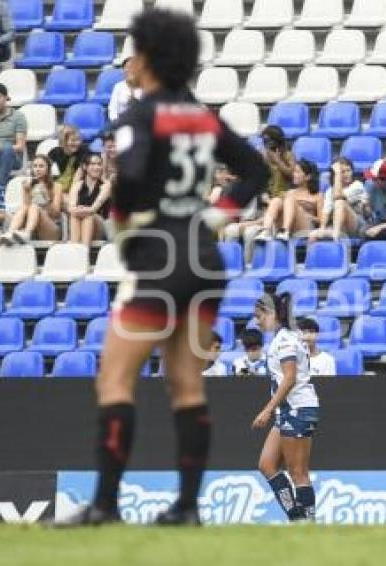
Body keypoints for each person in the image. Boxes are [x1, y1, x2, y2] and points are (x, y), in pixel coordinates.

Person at [55, 8, 269, 527]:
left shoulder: (138, 116)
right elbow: (257, 170)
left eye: (133, 52)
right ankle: (188, 508)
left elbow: (128, 177)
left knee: (115, 380)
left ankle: (105, 505)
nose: (128, 61)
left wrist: (128, 229)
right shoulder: (202, 115)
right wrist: (214, 215)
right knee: (188, 387)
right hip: (203, 259)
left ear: (147, 58)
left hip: (158, 259)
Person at [252, 293, 319, 522]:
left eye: (259, 316)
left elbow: (289, 378)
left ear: (271, 314)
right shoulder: (286, 338)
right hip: (289, 410)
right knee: (267, 464)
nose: (256, 321)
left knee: (298, 473)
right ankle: (296, 517)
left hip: (297, 408)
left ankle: (308, 525)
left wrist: (267, 409)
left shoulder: (286, 341)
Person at [256, 159, 323, 241]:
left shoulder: (317, 195)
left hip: (305, 227)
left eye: (297, 172)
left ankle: (285, 231)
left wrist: (306, 214)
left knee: (289, 198)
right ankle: (266, 231)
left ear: (307, 177)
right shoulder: (289, 192)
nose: (294, 175)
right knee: (276, 200)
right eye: (294, 172)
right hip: (289, 225)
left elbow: (321, 220)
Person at [1, 155, 62, 245]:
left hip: (51, 228)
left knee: (34, 207)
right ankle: (11, 232)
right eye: (35, 166)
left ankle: (27, 233)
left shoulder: (56, 186)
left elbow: (56, 213)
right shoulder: (27, 184)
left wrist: (46, 199)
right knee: (24, 207)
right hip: (32, 228)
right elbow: (26, 207)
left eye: (41, 166)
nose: (37, 169)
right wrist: (27, 191)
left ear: (48, 168)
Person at [309, 157, 370, 243]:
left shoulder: (357, 185)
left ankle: (335, 236)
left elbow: (338, 196)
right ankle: (311, 256)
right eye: (342, 172)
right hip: (338, 226)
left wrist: (337, 173)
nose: (346, 174)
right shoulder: (330, 190)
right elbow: (326, 212)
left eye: (348, 171)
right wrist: (322, 228)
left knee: (340, 202)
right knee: (313, 234)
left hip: (356, 226)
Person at [68, 153, 111, 246]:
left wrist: (81, 209)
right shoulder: (77, 185)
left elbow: (94, 208)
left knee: (89, 215)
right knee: (75, 215)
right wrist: (79, 210)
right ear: (85, 167)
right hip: (81, 221)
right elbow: (71, 208)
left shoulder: (106, 185)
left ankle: (84, 252)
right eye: (93, 164)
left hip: (99, 224)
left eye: (99, 164)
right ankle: (75, 248)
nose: (96, 167)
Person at [49, 126, 89, 195]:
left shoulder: (84, 152)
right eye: (73, 140)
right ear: (64, 141)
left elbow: (79, 175)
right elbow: (45, 166)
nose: (77, 143)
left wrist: (71, 194)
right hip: (59, 186)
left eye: (78, 140)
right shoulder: (55, 151)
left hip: (77, 188)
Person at [108, 57, 142, 123]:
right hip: (121, 122)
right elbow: (112, 109)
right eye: (127, 67)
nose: (130, 70)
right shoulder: (118, 87)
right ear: (123, 70)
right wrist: (116, 122)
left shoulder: (145, 86)